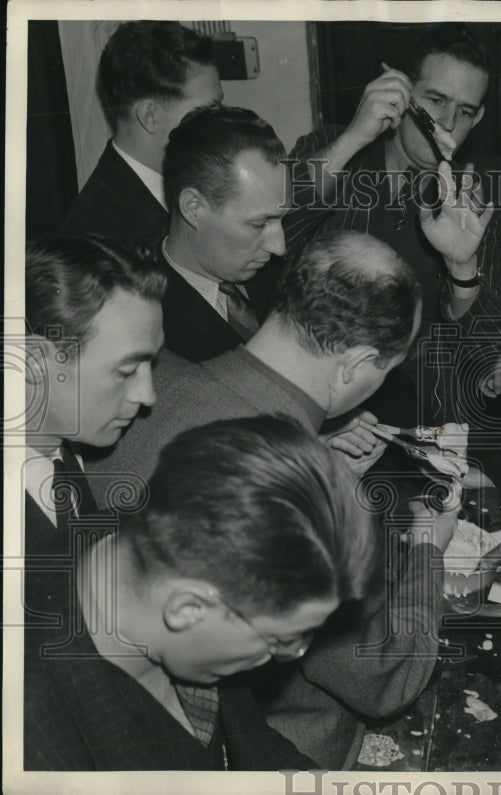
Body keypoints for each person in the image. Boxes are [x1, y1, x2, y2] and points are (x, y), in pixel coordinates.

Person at [87, 228, 450, 769]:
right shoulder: (318, 497)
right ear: (353, 366)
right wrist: (428, 548)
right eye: (384, 369)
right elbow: (383, 679)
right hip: (273, 751)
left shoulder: (150, 380)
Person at [24, 414, 375, 770]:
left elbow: (238, 737)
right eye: (281, 641)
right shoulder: (35, 740)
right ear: (187, 608)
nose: (287, 654)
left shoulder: (175, 545)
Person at [283, 23, 501, 426]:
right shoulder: (330, 149)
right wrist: (354, 137)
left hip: (419, 414)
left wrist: (462, 269)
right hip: (312, 398)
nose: (447, 122)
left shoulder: (470, 199)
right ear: (402, 95)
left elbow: (486, 343)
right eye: (435, 100)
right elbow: (278, 226)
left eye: (465, 111)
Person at [22, 235, 166, 560]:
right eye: (126, 371)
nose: (148, 396)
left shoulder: (68, 447)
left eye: (151, 363)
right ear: (34, 362)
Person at [59, 21, 222, 251]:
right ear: (150, 116)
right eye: (207, 110)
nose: (220, 122)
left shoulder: (203, 178)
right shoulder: (95, 240)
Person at [159, 105, 288, 361]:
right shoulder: (148, 322)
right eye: (258, 224)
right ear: (193, 208)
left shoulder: (281, 279)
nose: (280, 247)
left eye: (283, 218)